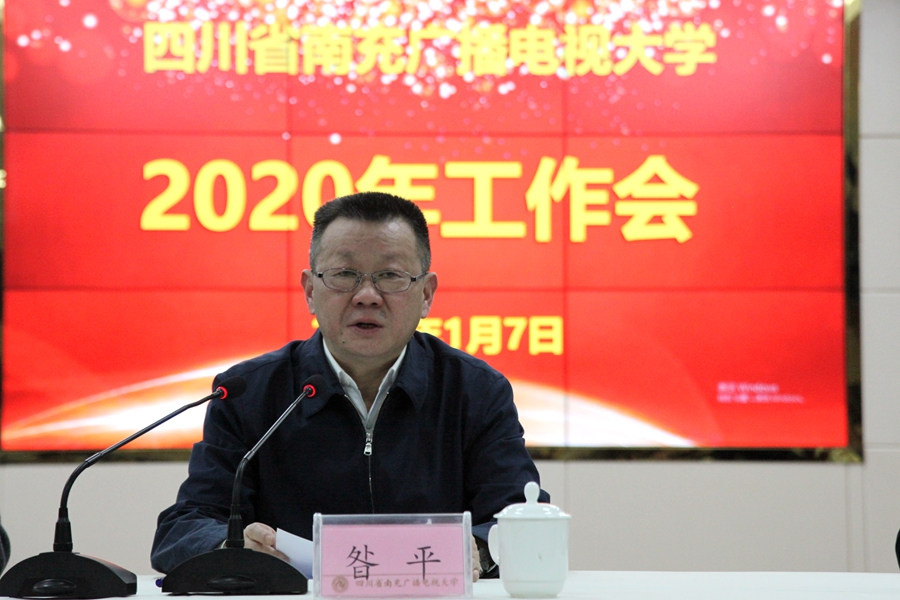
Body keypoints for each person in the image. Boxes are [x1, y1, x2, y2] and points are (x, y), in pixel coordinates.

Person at [151, 191, 547, 579]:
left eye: (390, 275)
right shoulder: (249, 393)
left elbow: (521, 516)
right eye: (344, 275)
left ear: (426, 294)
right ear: (310, 291)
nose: (367, 296)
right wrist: (231, 546)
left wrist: (479, 549)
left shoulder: (475, 392)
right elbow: (184, 527)